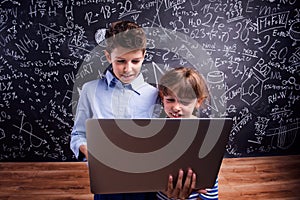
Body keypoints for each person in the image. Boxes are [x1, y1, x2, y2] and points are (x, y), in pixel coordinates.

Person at [70, 20, 199, 200]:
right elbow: (78, 135)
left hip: (146, 183)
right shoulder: (89, 90)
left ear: (144, 55)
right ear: (108, 57)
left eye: (135, 61)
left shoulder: (155, 94)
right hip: (107, 180)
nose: (127, 69)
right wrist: (89, 152)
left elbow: (172, 131)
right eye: (120, 61)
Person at [157, 67, 218, 200]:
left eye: (184, 101)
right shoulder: (157, 131)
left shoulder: (206, 134)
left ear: (198, 102)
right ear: (162, 98)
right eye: (170, 100)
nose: (176, 107)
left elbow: (209, 188)